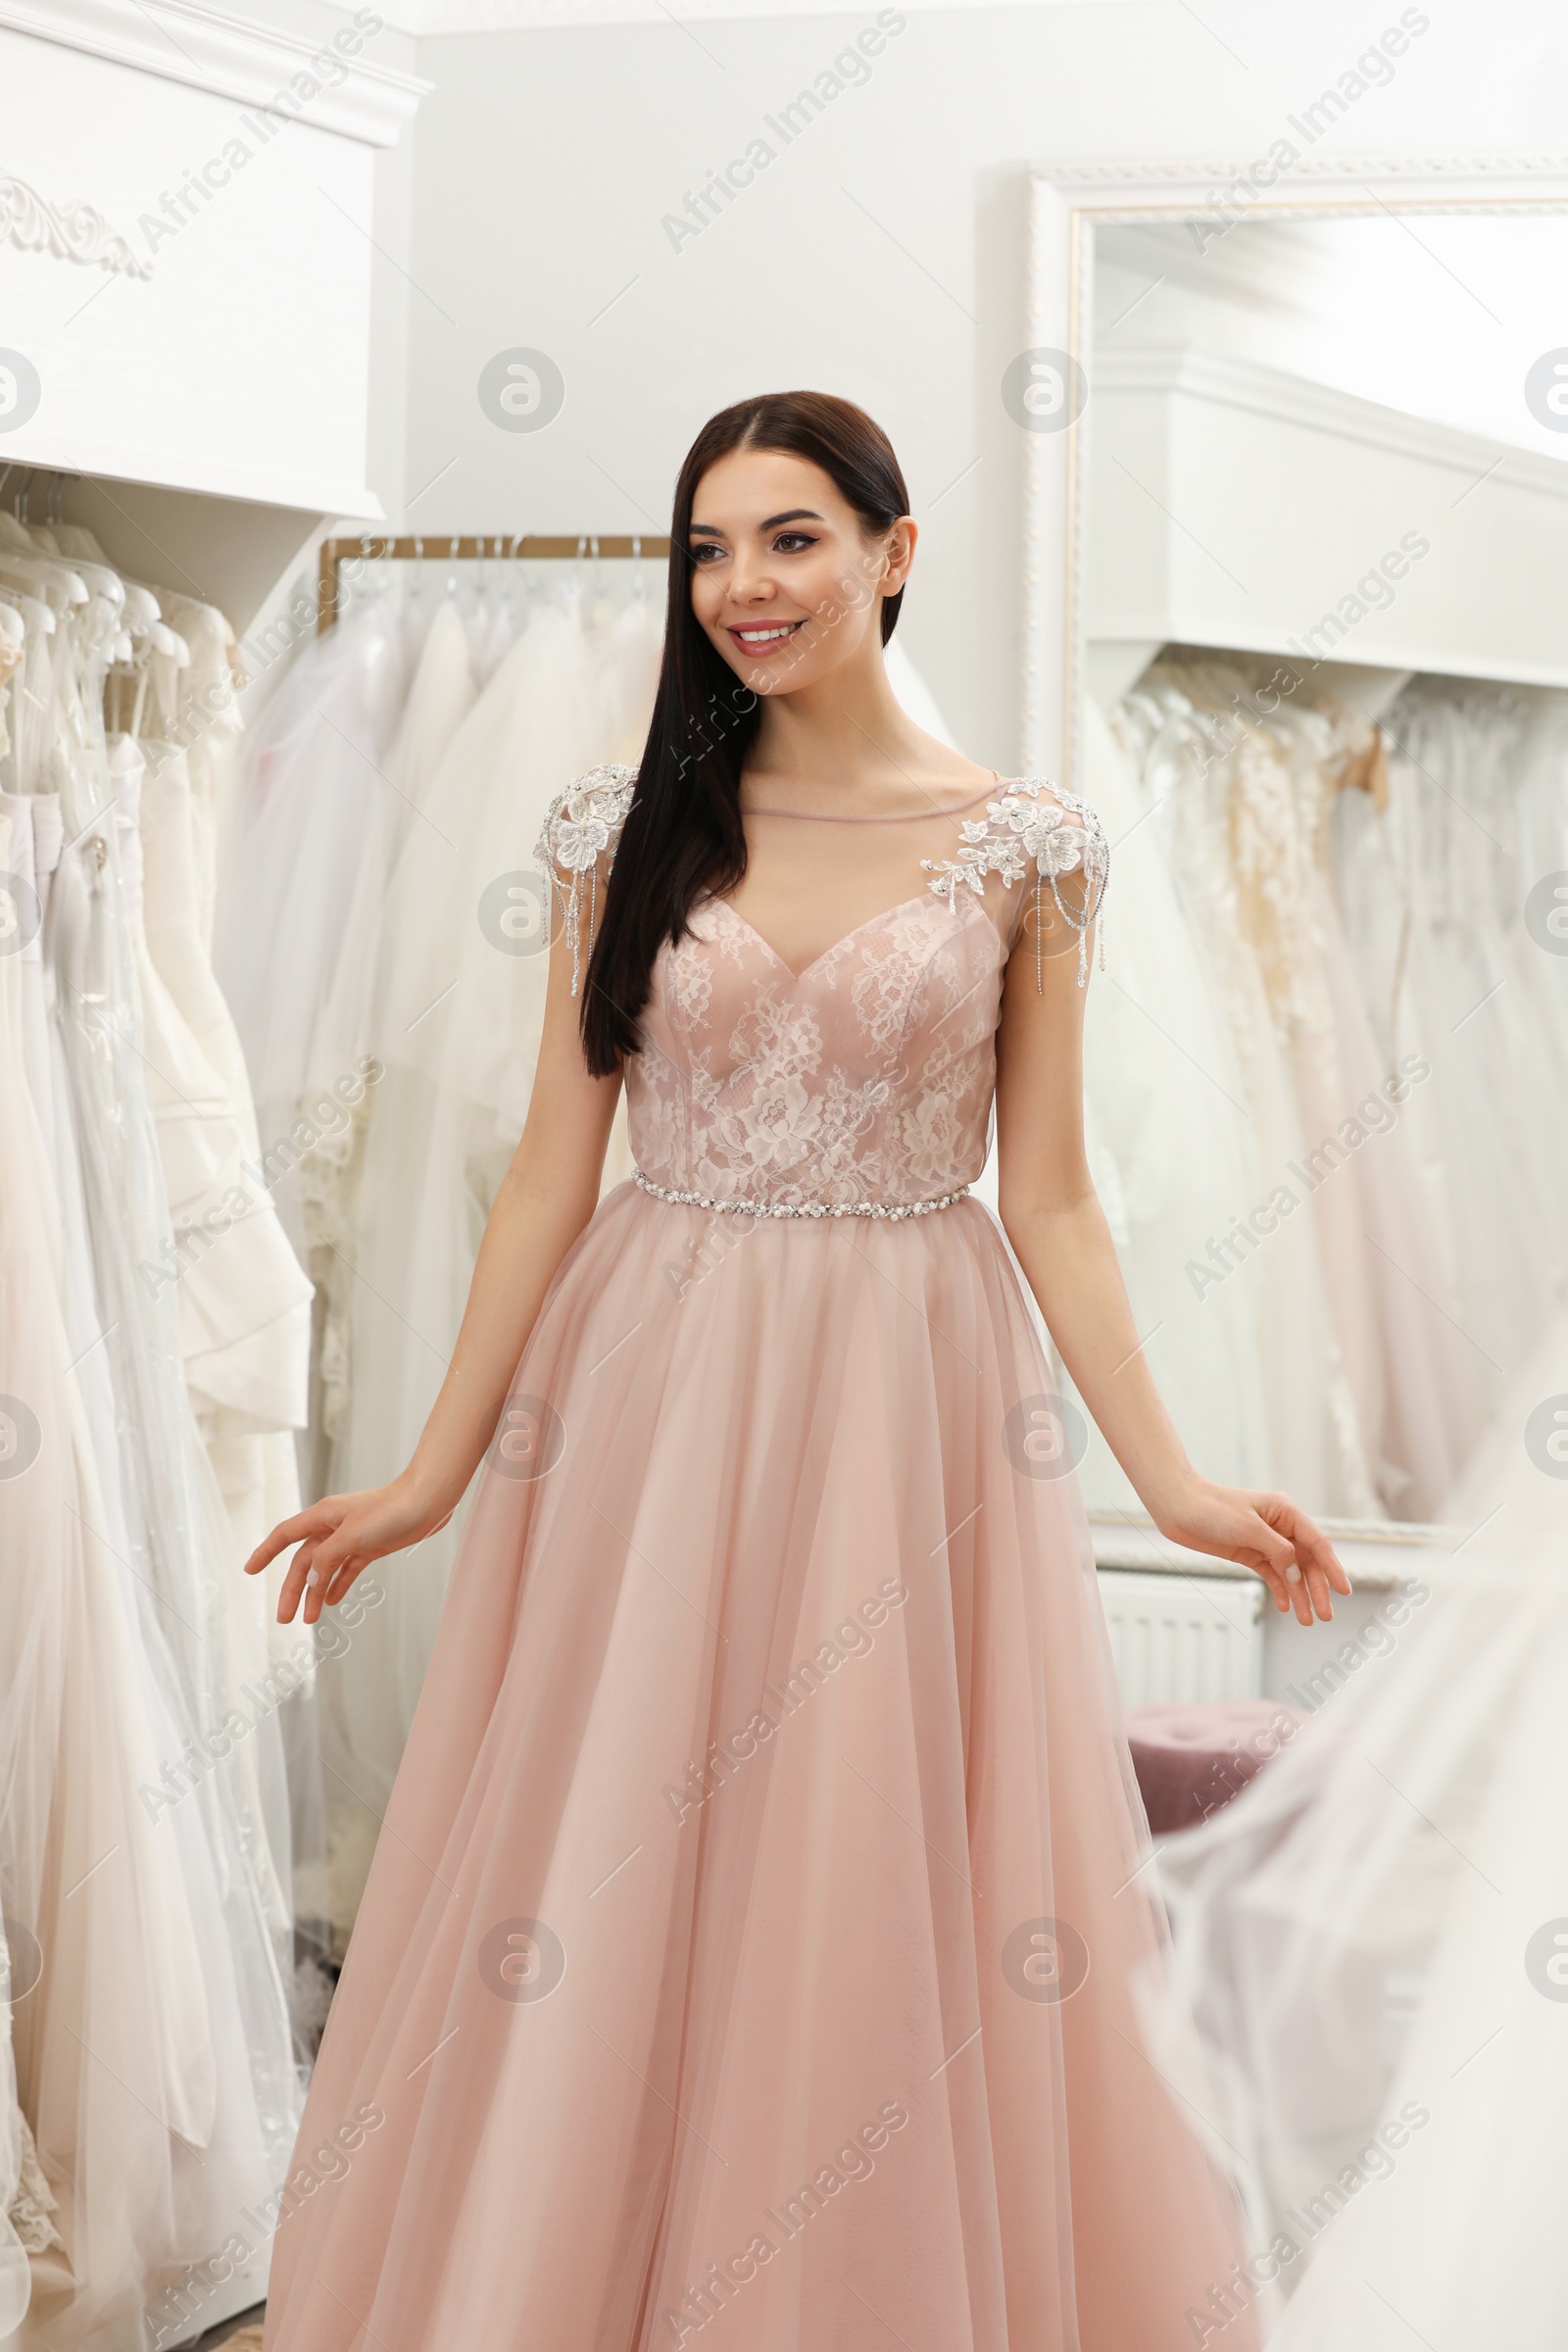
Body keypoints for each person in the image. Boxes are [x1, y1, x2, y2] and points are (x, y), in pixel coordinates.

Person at [246, 390, 1348, 2352]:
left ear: (891, 553)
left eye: (789, 539)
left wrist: (1173, 1486)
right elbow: (539, 1177)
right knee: (618, 1844)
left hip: (911, 1393)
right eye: (707, 546)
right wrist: (425, 1471)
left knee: (867, 1865)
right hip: (649, 1382)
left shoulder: (1030, 845)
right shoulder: (616, 826)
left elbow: (1058, 1203)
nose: (739, 585)